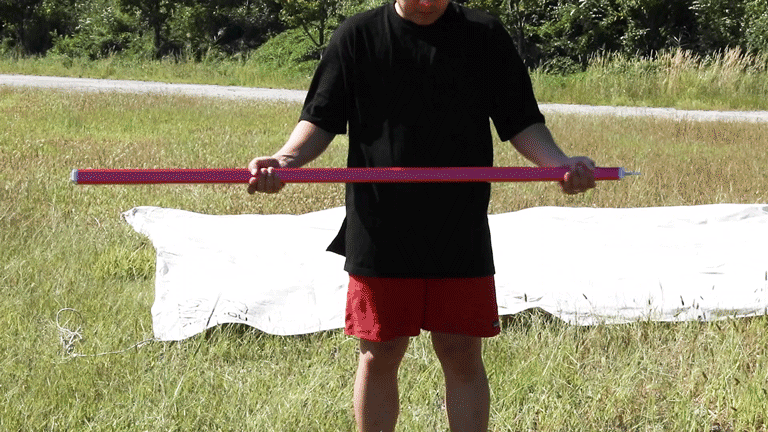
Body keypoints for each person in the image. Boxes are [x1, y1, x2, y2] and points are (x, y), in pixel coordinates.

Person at [247, 1, 596, 430]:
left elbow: (521, 120)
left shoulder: (484, 35)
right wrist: (285, 161)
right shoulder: (357, 37)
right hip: (380, 227)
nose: (428, 3)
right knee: (379, 353)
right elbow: (320, 118)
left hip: (459, 226)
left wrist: (558, 164)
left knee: (461, 351)